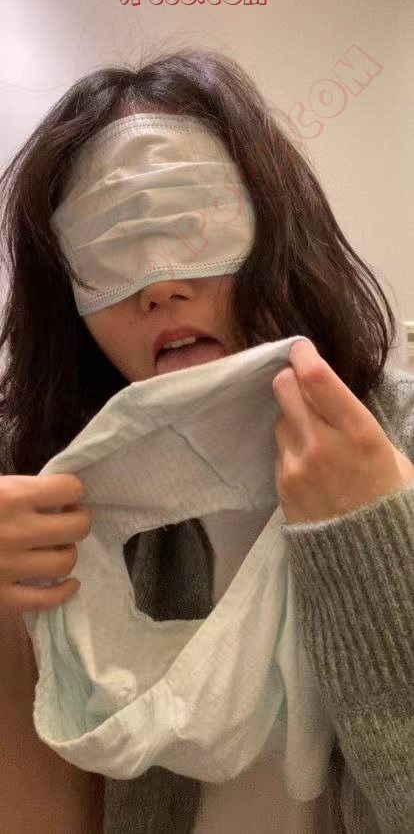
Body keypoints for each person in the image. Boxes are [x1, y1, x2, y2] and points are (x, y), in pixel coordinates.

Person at [0, 47, 412, 834]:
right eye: (107, 247)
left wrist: (373, 536)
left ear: (277, 229)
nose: (160, 286)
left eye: (191, 225)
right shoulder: (39, 472)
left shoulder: (404, 438)